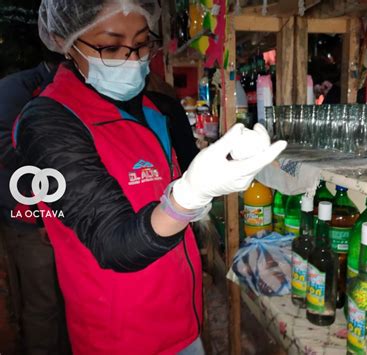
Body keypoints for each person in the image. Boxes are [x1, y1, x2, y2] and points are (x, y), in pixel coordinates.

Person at [13, 1, 287, 354]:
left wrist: (227, 170)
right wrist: (188, 195)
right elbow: (114, 243)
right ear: (68, 42)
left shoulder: (159, 109)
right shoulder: (49, 122)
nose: (132, 60)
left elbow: (191, 188)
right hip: (120, 336)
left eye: (142, 45)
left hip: (184, 316)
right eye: (111, 47)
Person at [0, 56, 74, 354]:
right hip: (29, 217)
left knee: (72, 299)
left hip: (68, 215)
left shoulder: (70, 90)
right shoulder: (14, 90)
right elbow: (8, 149)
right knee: (43, 304)